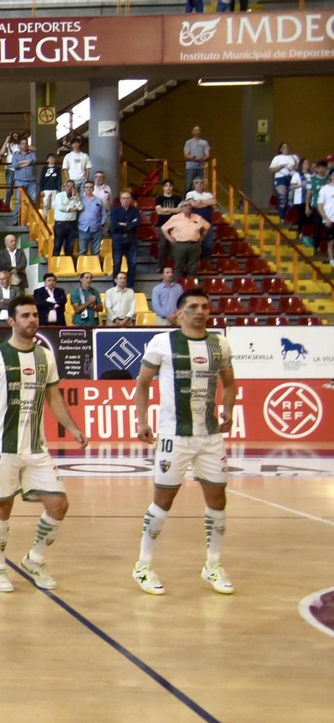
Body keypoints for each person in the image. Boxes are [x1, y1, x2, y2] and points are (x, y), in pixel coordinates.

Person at [0, 294, 87, 593]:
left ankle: (35, 559)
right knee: (3, 508)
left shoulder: (46, 357)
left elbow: (54, 399)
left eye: (35, 315)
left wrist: (74, 429)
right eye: (25, 316)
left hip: (36, 449)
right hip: (1, 447)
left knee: (59, 504)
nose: (32, 320)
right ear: (11, 321)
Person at [133, 288, 237, 596]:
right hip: (173, 436)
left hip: (210, 436)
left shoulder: (220, 343)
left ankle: (213, 565)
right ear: (179, 313)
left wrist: (228, 408)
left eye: (204, 306)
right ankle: (143, 565)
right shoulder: (162, 342)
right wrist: (141, 421)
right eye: (192, 307)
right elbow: (142, 385)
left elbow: (230, 384)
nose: (200, 311)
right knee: (163, 501)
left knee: (218, 500)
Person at [162, 200, 210, 277]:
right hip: (180, 245)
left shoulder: (197, 217)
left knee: (193, 267)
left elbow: (207, 226)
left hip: (194, 245)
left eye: (189, 205)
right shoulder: (175, 218)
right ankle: (178, 285)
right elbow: (164, 228)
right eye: (185, 205)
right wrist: (170, 239)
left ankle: (191, 286)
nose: (188, 207)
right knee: (178, 266)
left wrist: (202, 236)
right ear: (181, 208)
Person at [108, 191, 141, 282]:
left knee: (132, 263)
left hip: (131, 238)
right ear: (120, 200)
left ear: (131, 200)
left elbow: (138, 223)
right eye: (123, 198)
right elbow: (114, 225)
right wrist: (130, 224)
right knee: (117, 262)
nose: (125, 200)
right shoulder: (115, 210)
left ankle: (130, 285)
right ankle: (116, 285)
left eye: (127, 198)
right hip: (118, 238)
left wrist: (123, 224)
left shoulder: (135, 210)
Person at [52, 181, 84, 257]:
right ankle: (54, 264)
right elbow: (60, 207)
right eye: (68, 186)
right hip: (60, 224)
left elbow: (80, 207)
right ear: (65, 187)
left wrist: (75, 197)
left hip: (72, 224)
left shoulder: (76, 196)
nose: (70, 188)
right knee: (57, 245)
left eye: (72, 187)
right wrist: (70, 209)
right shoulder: (59, 195)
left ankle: (68, 264)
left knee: (70, 246)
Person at [77, 184, 106, 259]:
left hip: (96, 229)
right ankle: (82, 269)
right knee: (82, 251)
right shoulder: (79, 200)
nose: (88, 189)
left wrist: (102, 224)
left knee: (96, 252)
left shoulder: (99, 200)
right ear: (84, 189)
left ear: (93, 189)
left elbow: (103, 213)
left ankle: (95, 269)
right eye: (86, 187)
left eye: (90, 187)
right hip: (82, 228)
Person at [184, 126, 211, 190]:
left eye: (198, 130)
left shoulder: (204, 142)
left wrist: (203, 158)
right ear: (192, 132)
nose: (197, 131)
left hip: (201, 167)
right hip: (190, 167)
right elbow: (186, 155)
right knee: (188, 185)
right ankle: (187, 199)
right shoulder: (188, 142)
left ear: (200, 132)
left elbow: (207, 155)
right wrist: (194, 158)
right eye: (195, 130)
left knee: (202, 185)